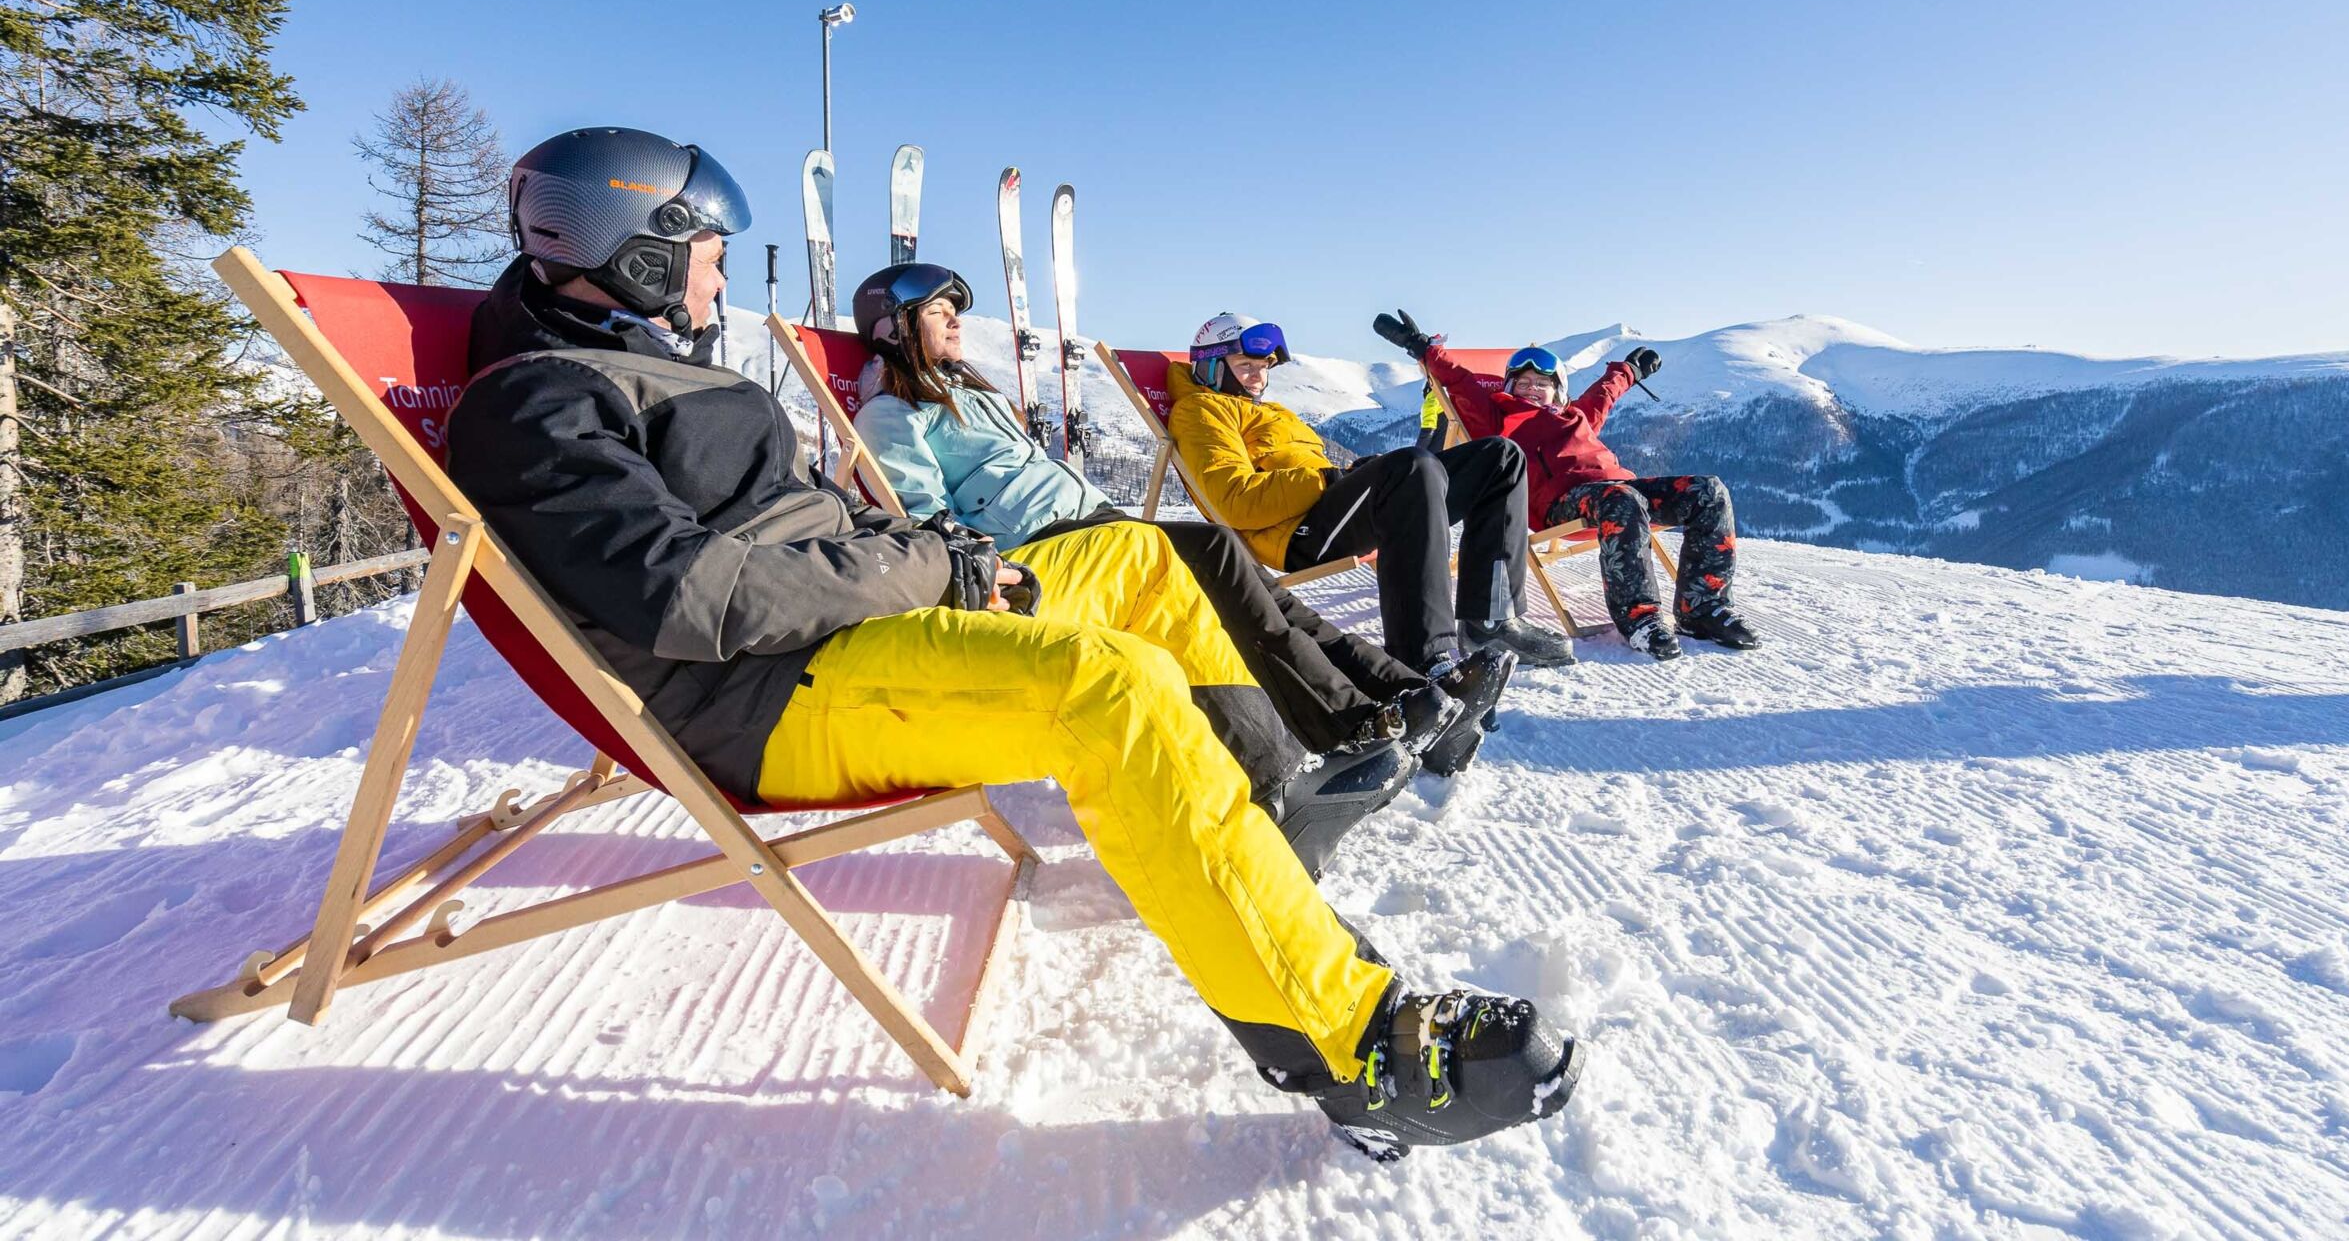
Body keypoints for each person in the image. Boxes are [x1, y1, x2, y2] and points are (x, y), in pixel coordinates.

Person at [444, 127, 1583, 1160]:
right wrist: (938, 565)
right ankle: (1357, 1049)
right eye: (708, 249)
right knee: (1108, 685)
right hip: (769, 693)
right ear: (637, 249)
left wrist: (940, 553)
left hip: (855, 624)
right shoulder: (539, 403)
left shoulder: (643, 362)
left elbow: (808, 523)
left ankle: (1265, 814)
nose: (722, 271)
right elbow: (695, 597)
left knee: (1144, 560)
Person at [846, 262, 1506, 873]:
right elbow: (927, 522)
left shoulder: (969, 397)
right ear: (894, 328)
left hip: (1094, 529)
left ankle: (1403, 699)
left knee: (1252, 584)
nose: (957, 320)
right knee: (1217, 560)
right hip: (1039, 554)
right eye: (939, 312)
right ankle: (1358, 722)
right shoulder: (889, 415)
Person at [1166, 313, 1576, 677]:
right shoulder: (1202, 411)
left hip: (1331, 508)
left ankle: (1490, 619)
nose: (1258, 376)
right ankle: (1423, 658)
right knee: (1412, 468)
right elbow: (1235, 500)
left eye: (1262, 367)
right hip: (1299, 534)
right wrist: (1331, 479)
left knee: (1499, 457)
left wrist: (1353, 475)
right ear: (1210, 365)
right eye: (1245, 366)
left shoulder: (1272, 411)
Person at [1376, 309, 1760, 660]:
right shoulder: (1497, 417)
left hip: (1618, 493)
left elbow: (1604, 393)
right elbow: (1459, 381)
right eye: (1521, 381)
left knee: (1708, 490)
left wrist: (1630, 369)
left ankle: (1703, 608)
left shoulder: (1576, 416)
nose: (1529, 388)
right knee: (1620, 499)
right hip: (1561, 503)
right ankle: (1639, 618)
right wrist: (1421, 347)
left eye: (1540, 382)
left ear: (1558, 390)